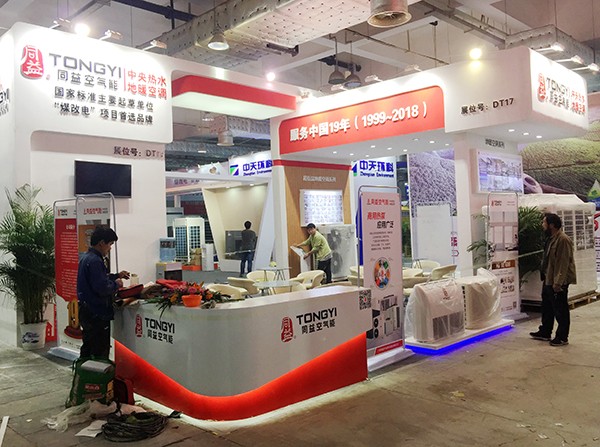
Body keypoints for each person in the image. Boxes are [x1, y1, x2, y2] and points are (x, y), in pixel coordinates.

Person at [77, 227, 130, 359]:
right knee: (99, 349)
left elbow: (98, 279)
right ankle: (97, 371)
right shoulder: (95, 261)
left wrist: (116, 275)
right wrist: (116, 284)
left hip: (86, 310)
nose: (110, 248)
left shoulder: (86, 257)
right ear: (101, 243)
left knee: (88, 346)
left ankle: (84, 370)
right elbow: (102, 287)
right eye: (110, 244)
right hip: (96, 313)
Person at [530, 213, 576, 346]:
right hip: (548, 278)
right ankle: (545, 331)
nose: (542, 225)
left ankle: (562, 337)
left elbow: (563, 263)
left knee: (560, 310)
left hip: (557, 281)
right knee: (547, 306)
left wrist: (558, 283)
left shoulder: (563, 240)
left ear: (551, 225)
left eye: (544, 222)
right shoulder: (551, 238)